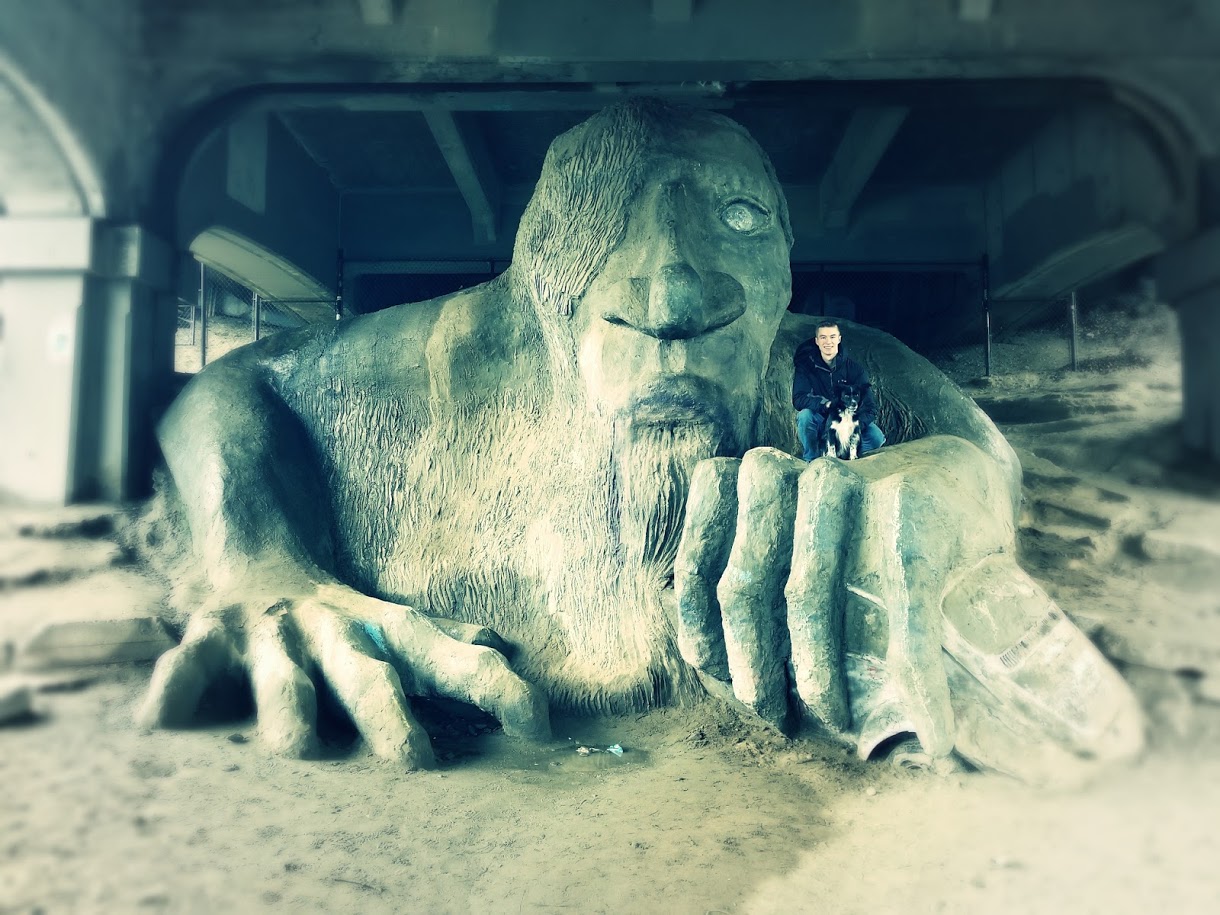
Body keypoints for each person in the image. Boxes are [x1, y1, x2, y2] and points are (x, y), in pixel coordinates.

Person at [137, 99, 1142, 782]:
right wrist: (257, 564)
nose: (668, 292)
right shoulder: (456, 350)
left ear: (786, 275)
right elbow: (233, 387)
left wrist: (944, 486)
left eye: (739, 216)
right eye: (592, 217)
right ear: (533, 280)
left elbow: (982, 460)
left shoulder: (828, 361)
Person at [792, 320, 885, 460]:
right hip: (821, 416)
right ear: (817, 341)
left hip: (849, 419)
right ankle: (812, 459)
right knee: (805, 416)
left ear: (839, 339)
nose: (828, 342)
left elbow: (871, 408)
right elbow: (799, 399)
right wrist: (824, 404)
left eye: (832, 337)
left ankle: (846, 454)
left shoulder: (855, 369)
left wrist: (854, 424)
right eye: (823, 337)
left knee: (876, 437)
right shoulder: (806, 366)